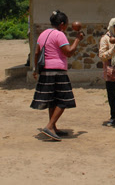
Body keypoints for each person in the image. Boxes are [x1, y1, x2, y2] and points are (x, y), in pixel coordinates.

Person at [30, 10, 84, 141]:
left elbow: (36, 53)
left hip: (45, 71)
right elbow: (69, 52)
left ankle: (53, 127)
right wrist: (77, 39)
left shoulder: (43, 34)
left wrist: (36, 69)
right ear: (62, 24)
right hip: (57, 71)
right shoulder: (60, 35)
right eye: (66, 24)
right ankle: (49, 126)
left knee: (52, 100)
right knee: (64, 99)